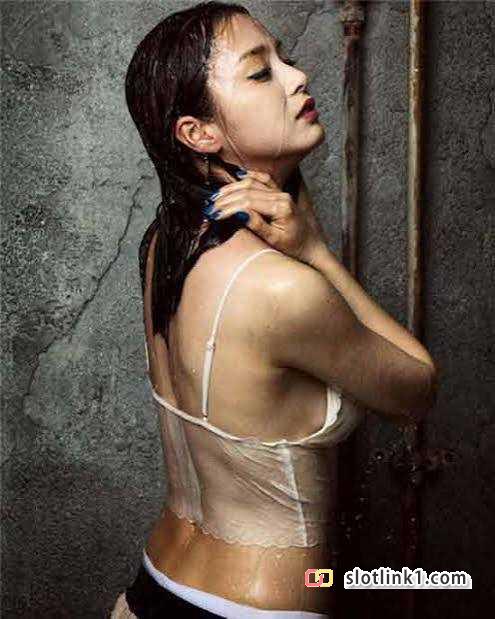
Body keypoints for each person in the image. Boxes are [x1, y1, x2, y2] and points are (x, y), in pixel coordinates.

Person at [111, 2, 439, 617]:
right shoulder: (282, 290)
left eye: (284, 58)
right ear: (198, 134)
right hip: (255, 605)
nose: (298, 76)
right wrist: (316, 251)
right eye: (261, 72)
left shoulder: (163, 246)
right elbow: (417, 390)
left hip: (157, 583)